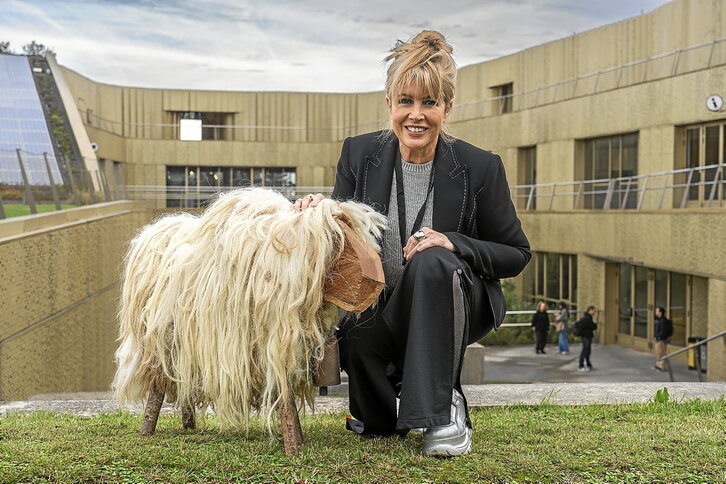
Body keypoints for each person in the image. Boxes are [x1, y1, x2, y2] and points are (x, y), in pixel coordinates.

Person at [294, 30, 530, 456]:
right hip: (381, 304)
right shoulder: (358, 154)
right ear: (389, 104)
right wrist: (319, 213)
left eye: (429, 103)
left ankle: (443, 413)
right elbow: (344, 229)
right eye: (406, 101)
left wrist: (456, 243)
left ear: (447, 107)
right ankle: (401, 398)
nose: (416, 115)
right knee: (376, 428)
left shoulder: (480, 167)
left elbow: (516, 254)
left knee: (433, 260)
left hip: (454, 298)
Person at [576, 306, 597, 371]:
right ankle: (581, 365)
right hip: (586, 336)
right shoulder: (587, 318)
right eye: (594, 310)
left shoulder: (588, 318)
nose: (595, 312)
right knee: (585, 350)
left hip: (587, 336)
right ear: (590, 310)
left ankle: (588, 364)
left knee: (587, 350)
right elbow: (591, 326)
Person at [653, 307, 673, 371]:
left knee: (662, 353)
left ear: (660, 312)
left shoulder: (663, 321)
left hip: (662, 339)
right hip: (659, 339)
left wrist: (657, 336)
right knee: (658, 353)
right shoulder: (659, 320)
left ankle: (662, 366)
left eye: (657, 311)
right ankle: (658, 365)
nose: (655, 312)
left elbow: (663, 331)